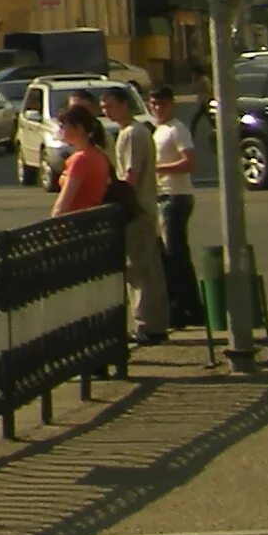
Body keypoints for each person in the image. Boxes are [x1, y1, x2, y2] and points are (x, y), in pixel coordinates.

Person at [100, 85, 167, 342]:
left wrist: (119, 203)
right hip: (144, 208)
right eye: (104, 107)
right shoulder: (132, 132)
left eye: (110, 105)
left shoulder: (132, 134)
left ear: (124, 105)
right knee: (147, 268)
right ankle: (154, 323)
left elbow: (131, 176)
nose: (106, 111)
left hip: (136, 211)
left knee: (139, 271)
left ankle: (146, 325)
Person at [149, 84, 199, 331]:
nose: (157, 108)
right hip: (163, 195)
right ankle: (183, 306)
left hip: (176, 196)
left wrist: (158, 169)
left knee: (175, 254)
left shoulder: (178, 130)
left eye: (162, 104)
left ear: (171, 104)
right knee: (173, 255)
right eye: (154, 103)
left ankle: (187, 308)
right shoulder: (158, 130)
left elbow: (189, 163)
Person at [50, 107, 112, 218]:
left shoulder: (80, 160)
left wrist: (54, 222)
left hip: (75, 222)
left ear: (79, 128)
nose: (60, 130)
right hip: (91, 219)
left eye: (63, 126)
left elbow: (64, 203)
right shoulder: (98, 154)